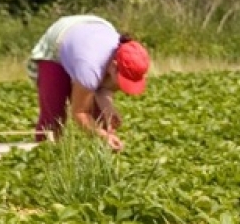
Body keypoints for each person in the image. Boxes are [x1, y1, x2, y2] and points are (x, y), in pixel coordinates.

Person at [27, 15, 151, 151]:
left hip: (91, 32)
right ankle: (46, 156)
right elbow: (80, 113)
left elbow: (105, 87)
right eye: (124, 80)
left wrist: (108, 108)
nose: (123, 86)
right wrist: (103, 137)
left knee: (102, 116)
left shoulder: (120, 53)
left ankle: (99, 161)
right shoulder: (90, 67)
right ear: (114, 67)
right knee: (53, 116)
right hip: (59, 40)